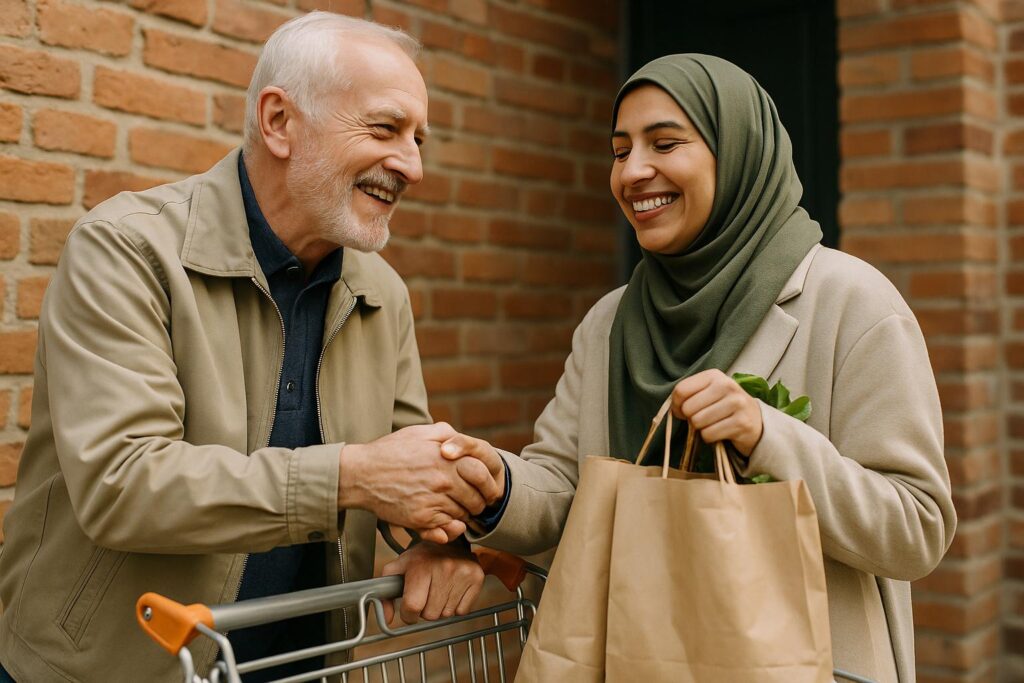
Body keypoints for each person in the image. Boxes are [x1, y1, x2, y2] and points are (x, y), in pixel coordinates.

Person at [0, 13, 504, 683]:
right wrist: (353, 476)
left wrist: (440, 542)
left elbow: (410, 467)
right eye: (385, 129)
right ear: (278, 122)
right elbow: (122, 483)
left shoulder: (382, 290)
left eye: (418, 139)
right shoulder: (125, 249)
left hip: (297, 666)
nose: (413, 165)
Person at [444, 54, 957, 682]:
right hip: (632, 659)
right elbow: (565, 489)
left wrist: (769, 438)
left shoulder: (852, 302)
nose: (633, 171)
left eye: (665, 143)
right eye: (619, 149)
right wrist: (497, 486)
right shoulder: (609, 321)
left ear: (737, 151)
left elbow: (917, 527)